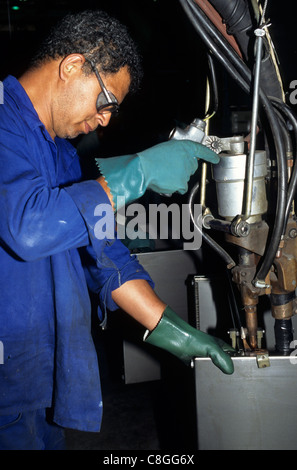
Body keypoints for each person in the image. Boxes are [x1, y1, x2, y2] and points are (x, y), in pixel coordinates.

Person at [0, 10, 234, 450]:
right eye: (106, 101)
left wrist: (173, 331)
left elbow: (105, 254)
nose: (106, 120)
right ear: (72, 66)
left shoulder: (63, 155)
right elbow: (27, 228)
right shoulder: (3, 125)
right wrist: (137, 172)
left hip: (38, 382)